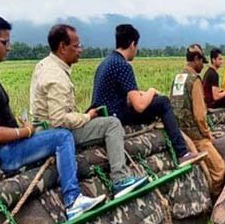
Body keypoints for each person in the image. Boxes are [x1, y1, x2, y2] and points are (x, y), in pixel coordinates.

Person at [0, 12, 105, 220]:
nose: (9, 47)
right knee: (62, 136)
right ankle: (72, 199)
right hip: (3, 154)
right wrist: (24, 131)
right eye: (5, 42)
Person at [30, 24, 146, 198]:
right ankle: (120, 179)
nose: (80, 50)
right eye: (76, 46)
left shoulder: (44, 65)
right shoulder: (55, 76)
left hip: (44, 129)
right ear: (62, 47)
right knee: (112, 124)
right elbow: (59, 119)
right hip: (56, 132)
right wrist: (87, 116)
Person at [91, 24, 204, 167]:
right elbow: (139, 106)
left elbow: (126, 95)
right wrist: (151, 91)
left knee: (155, 101)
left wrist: (143, 94)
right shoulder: (123, 65)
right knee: (163, 102)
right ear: (132, 44)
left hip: (104, 115)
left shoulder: (105, 63)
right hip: (115, 116)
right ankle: (182, 153)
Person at [170, 44, 225, 195]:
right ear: (196, 59)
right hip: (194, 136)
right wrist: (207, 134)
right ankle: (212, 201)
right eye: (202, 61)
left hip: (178, 131)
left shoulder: (178, 77)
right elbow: (200, 115)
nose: (202, 65)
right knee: (219, 169)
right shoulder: (194, 80)